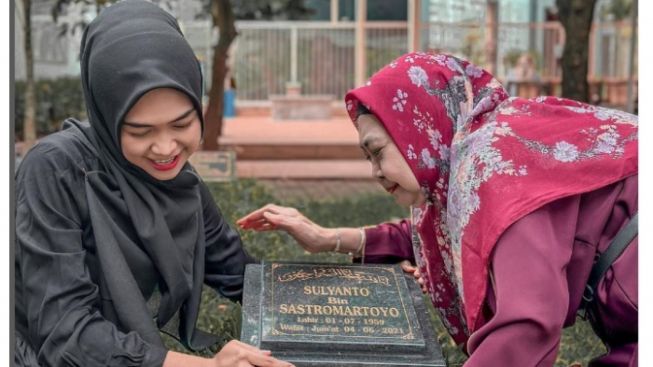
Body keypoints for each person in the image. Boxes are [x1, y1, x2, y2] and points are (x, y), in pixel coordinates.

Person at [238, 52, 638, 366]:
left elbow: (526, 324)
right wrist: (330, 239)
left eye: (378, 152)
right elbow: (447, 233)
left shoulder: (494, 166)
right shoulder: (468, 162)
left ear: (419, 128)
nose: (376, 172)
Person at [14, 1, 294, 366]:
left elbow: (238, 272)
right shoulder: (53, 171)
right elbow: (65, 334)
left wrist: (336, 269)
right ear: (107, 117)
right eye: (140, 131)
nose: (165, 148)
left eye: (181, 125)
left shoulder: (181, 182)